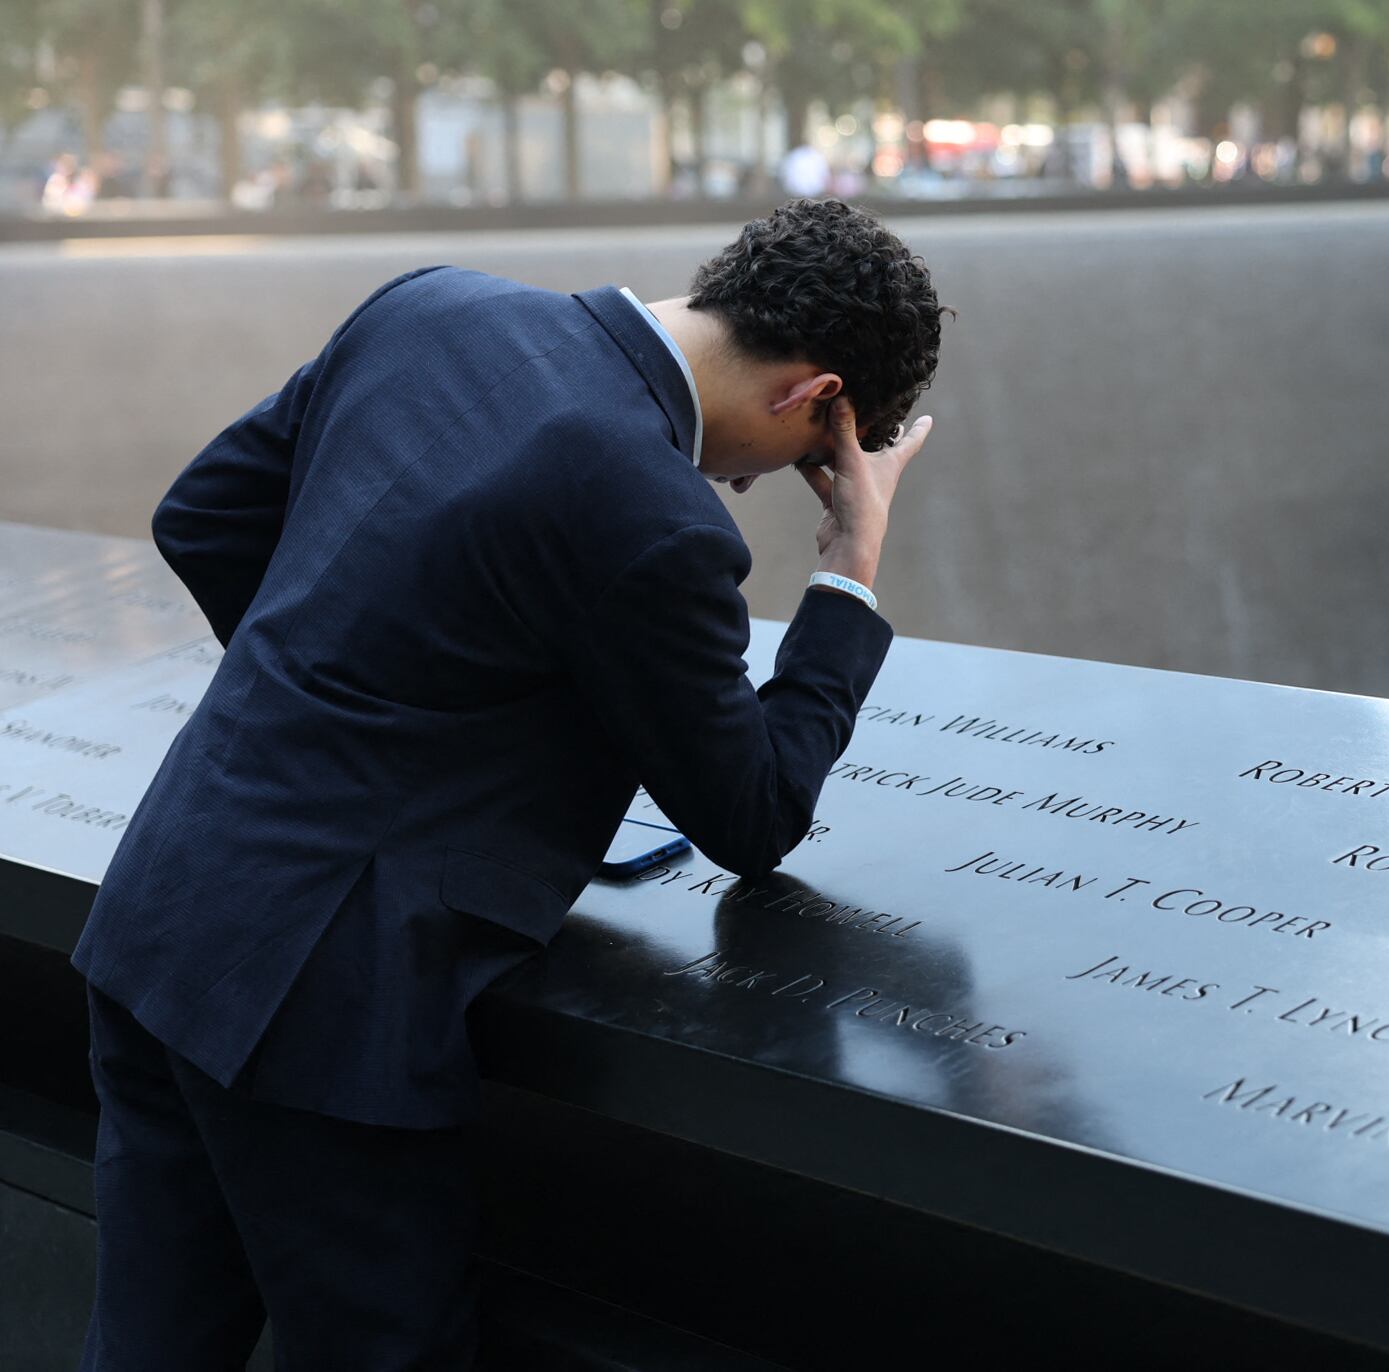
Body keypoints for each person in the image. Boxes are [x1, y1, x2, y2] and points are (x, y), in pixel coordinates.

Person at [71, 198, 943, 1370]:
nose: (752, 487)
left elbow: (205, 515)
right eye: (805, 462)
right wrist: (848, 572)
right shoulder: (652, 514)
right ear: (812, 397)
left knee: (149, 1345)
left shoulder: (432, 305)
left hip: (163, 906)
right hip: (324, 1009)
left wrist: (353, 699)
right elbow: (755, 809)